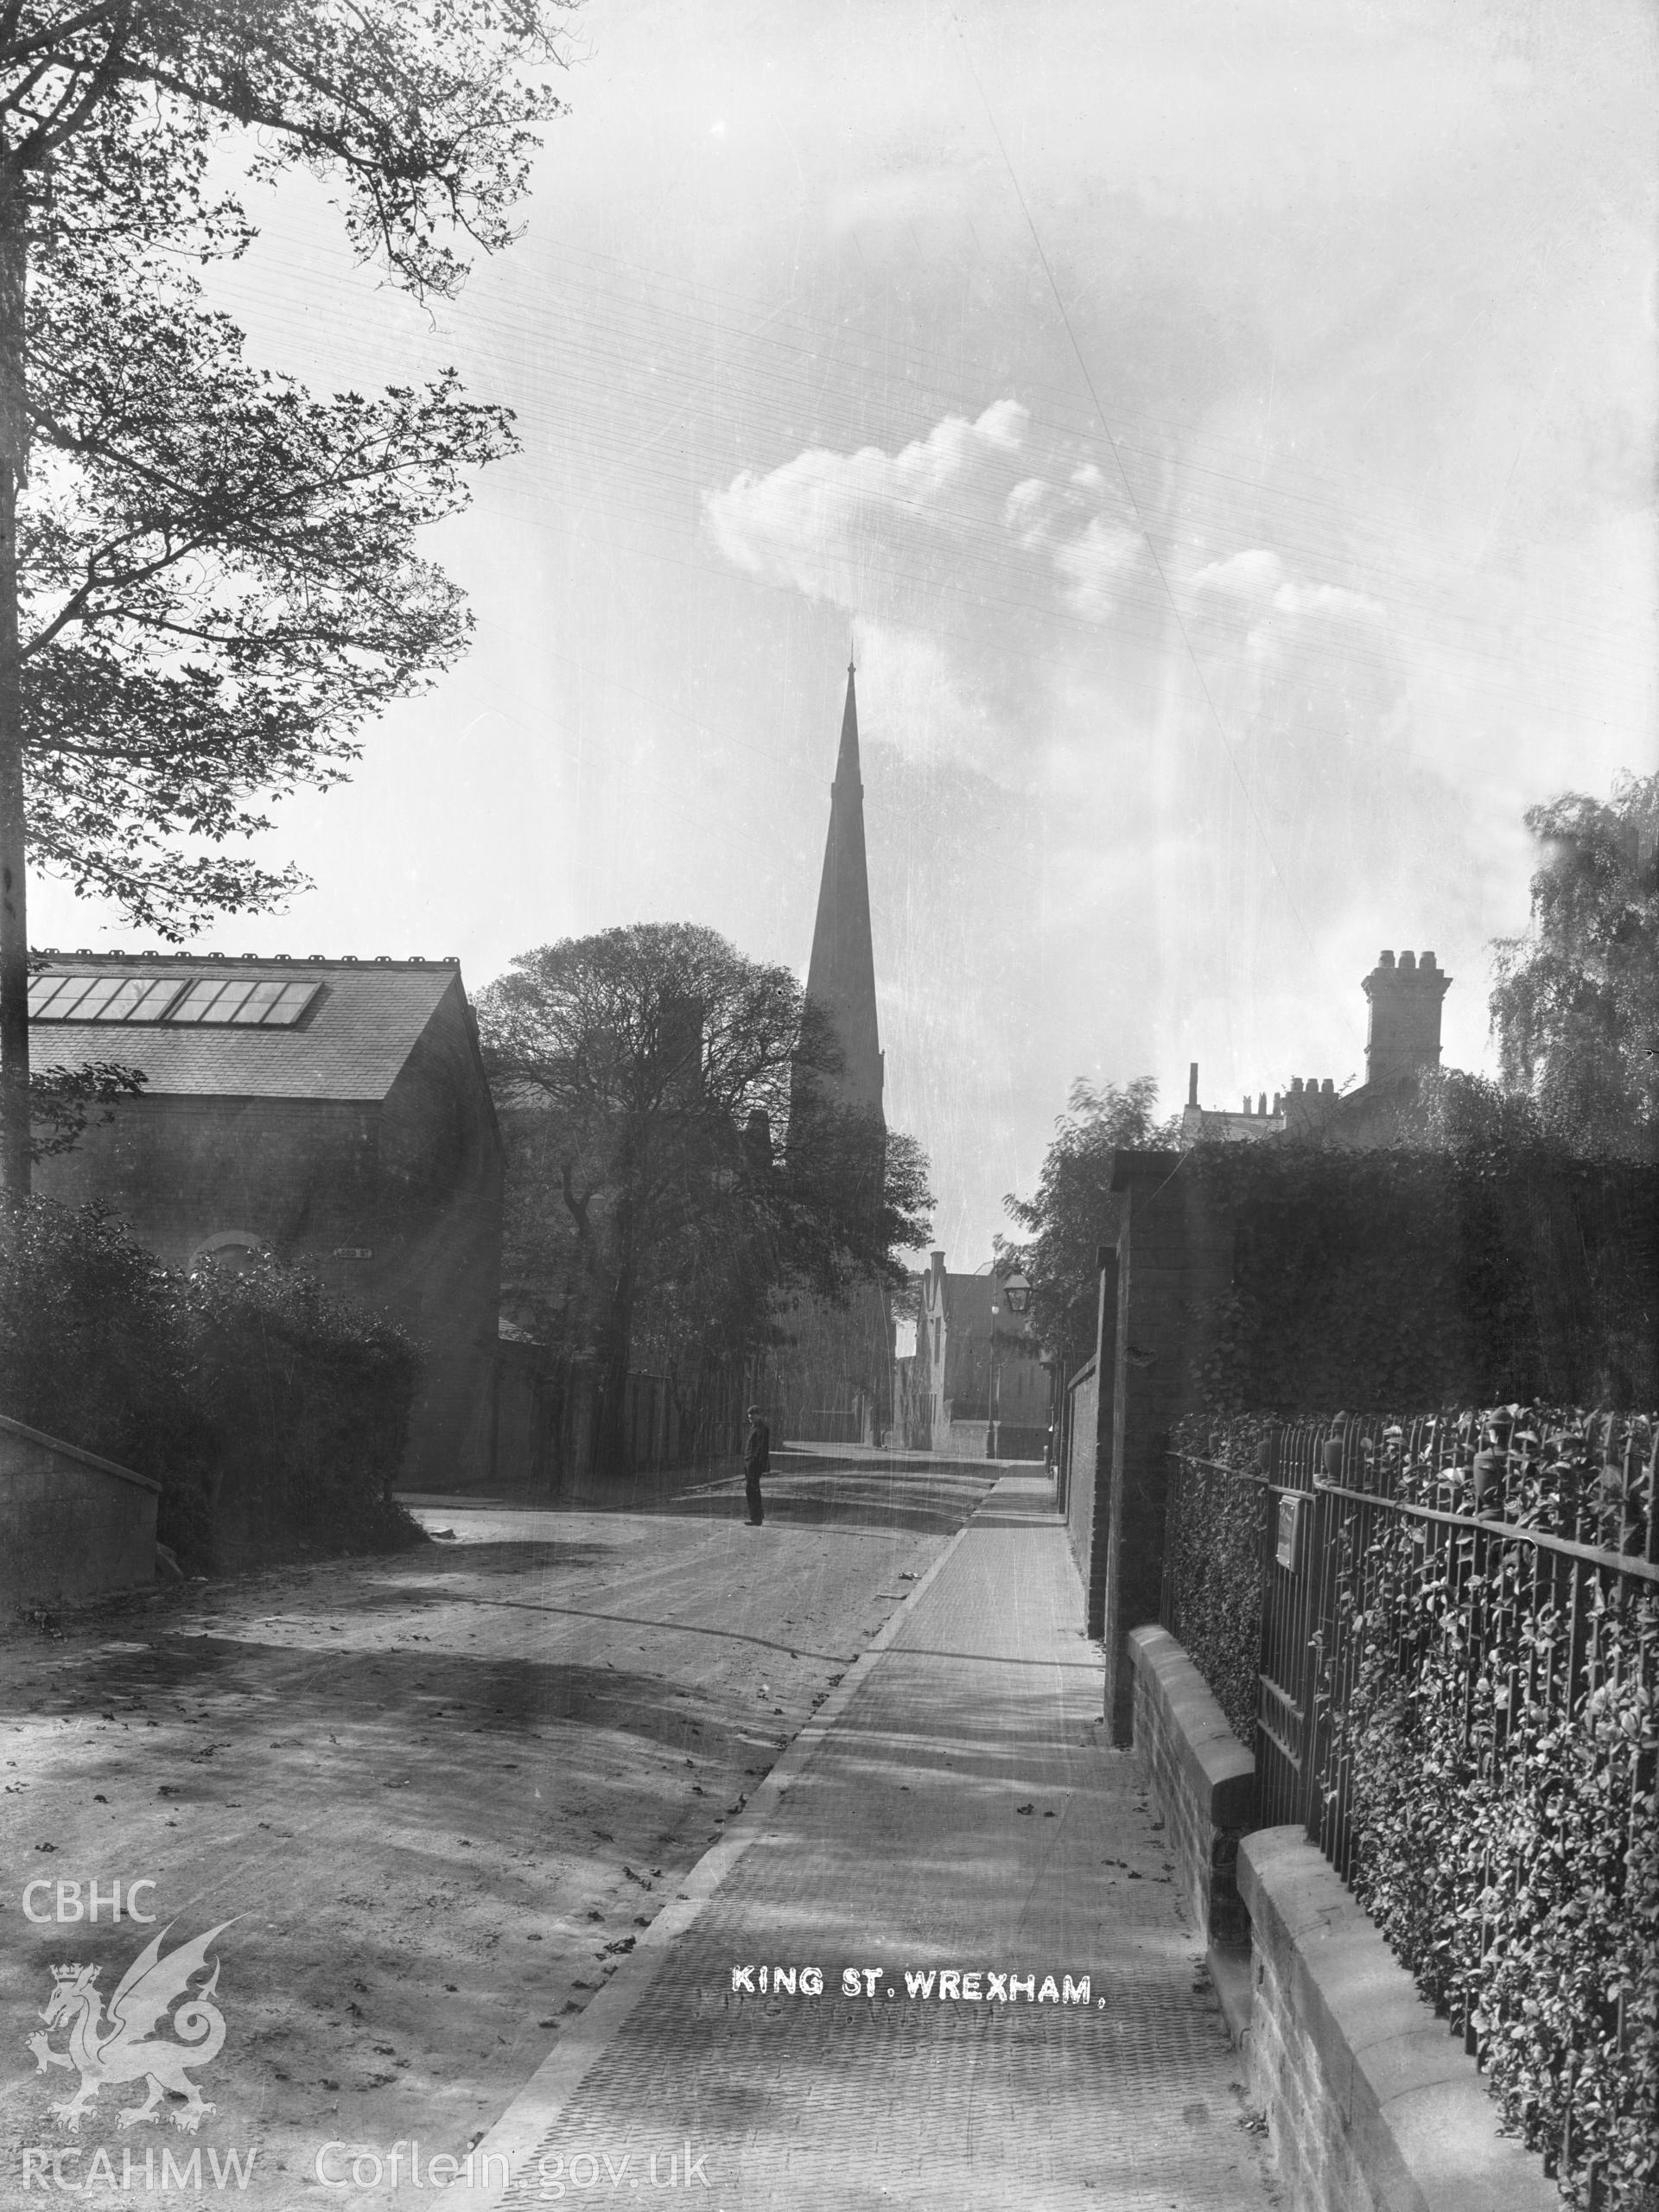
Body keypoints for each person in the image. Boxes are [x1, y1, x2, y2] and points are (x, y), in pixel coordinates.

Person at [743, 1405, 769, 1526]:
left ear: (759, 1415)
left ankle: (756, 1518)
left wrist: (754, 1461)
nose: (750, 1420)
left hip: (754, 1464)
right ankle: (758, 1516)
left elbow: (761, 1448)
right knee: (752, 1490)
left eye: (752, 1417)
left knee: (752, 1490)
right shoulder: (754, 1427)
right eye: (749, 1418)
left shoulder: (762, 1429)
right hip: (749, 1463)